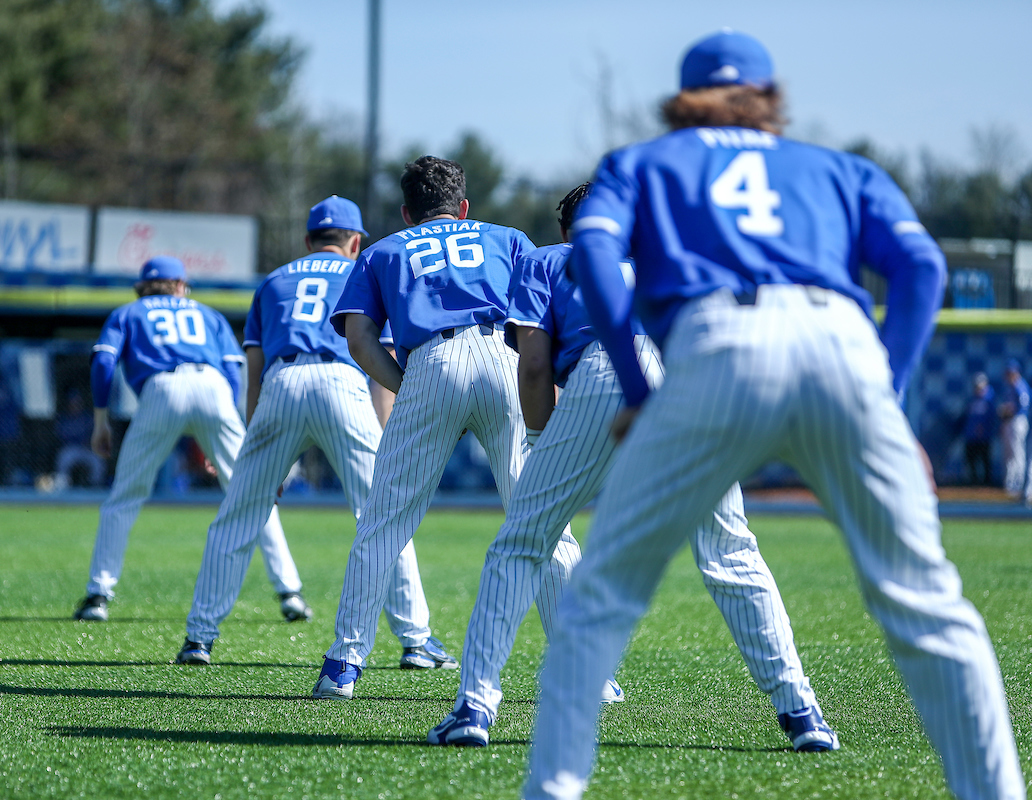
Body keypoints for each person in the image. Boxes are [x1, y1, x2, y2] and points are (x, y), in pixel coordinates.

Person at [525, 31, 1023, 800]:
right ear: (770, 98)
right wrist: (883, 390)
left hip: (717, 343)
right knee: (928, 603)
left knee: (598, 596)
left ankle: (552, 789)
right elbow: (922, 265)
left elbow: (590, 256)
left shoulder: (645, 163)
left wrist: (636, 386)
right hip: (842, 344)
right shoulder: (838, 167)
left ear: (683, 102)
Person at [430, 184, 833, 752]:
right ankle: (803, 714)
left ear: (569, 231)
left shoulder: (551, 259)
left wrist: (546, 441)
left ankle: (474, 708)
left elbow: (534, 366)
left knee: (521, 542)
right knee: (730, 549)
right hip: (696, 375)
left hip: (607, 372)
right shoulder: (668, 258)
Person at [312, 156, 580, 699]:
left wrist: (409, 383)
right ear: (462, 207)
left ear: (409, 212)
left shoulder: (386, 249)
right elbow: (544, 322)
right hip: (507, 359)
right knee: (544, 516)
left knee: (384, 519)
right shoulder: (509, 238)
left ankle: (345, 662)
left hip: (431, 359)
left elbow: (360, 340)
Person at [175, 196, 436, 666]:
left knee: (238, 515)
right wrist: (387, 432)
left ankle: (199, 637)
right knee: (382, 514)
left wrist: (258, 442)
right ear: (355, 241)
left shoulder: (274, 280)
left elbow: (253, 371)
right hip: (343, 383)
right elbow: (380, 362)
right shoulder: (364, 270)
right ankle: (416, 641)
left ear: (307, 240)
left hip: (281, 382)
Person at [73, 256, 310, 624]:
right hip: (213, 388)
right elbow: (234, 369)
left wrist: (101, 419)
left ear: (142, 288)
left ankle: (98, 596)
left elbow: (103, 363)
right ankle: (290, 592)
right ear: (182, 286)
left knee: (123, 498)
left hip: (161, 389)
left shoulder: (129, 312)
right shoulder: (207, 314)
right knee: (253, 492)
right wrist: (225, 424)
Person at [54, 390, 105, 489]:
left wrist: (90, 443)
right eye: (73, 402)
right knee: (63, 457)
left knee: (98, 461)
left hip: (87, 449)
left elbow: (96, 434)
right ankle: (63, 485)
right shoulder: (64, 419)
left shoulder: (87, 417)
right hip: (71, 448)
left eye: (77, 402)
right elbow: (60, 436)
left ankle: (95, 485)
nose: (75, 405)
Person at [997, 359, 1029, 502]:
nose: (1009, 375)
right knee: (1009, 454)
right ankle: (1009, 484)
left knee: (1017, 453)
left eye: (1011, 372)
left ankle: (1019, 483)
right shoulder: (1010, 387)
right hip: (1009, 422)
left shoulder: (1021, 386)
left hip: (1018, 421)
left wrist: (1008, 410)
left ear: (1016, 372)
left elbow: (1023, 406)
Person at [962, 373, 997, 486]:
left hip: (984, 436)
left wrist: (984, 428)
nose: (977, 388)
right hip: (971, 436)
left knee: (985, 460)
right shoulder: (972, 399)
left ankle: (987, 483)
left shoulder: (989, 399)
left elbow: (991, 418)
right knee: (971, 460)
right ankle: (973, 481)